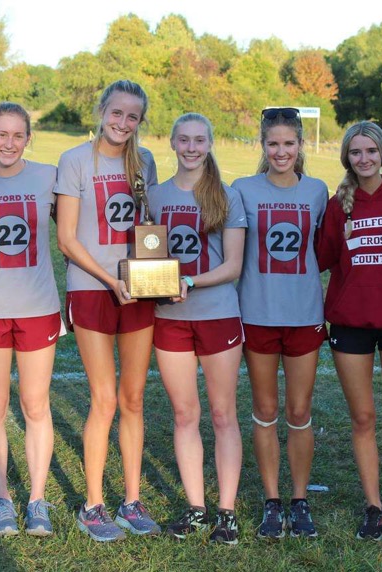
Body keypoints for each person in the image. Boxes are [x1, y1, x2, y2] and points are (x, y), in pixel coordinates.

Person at [55, 79, 160, 542]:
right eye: (116, 113)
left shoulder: (145, 162)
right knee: (104, 398)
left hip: (137, 289)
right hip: (93, 287)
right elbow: (67, 238)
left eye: (132, 116)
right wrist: (108, 279)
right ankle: (93, 505)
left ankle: (131, 500)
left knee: (133, 397)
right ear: (101, 110)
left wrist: (155, 277)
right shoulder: (76, 160)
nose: (123, 123)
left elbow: (149, 229)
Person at [316, 121, 382, 541]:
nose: (364, 159)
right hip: (351, 323)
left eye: (371, 151)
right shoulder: (337, 204)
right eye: (356, 152)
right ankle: (373, 507)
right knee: (362, 418)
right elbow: (324, 259)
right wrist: (340, 236)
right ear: (347, 157)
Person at [0, 102, 62, 537]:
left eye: (18, 135)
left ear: (28, 139)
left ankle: (37, 499)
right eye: (2, 134)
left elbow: (80, 229)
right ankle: (3, 499)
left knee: (35, 404)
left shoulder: (48, 178)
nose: (9, 143)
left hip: (38, 305)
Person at [150, 113, 247, 544]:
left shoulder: (226, 195)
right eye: (184, 140)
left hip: (218, 315)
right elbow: (149, 256)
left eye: (199, 141)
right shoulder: (154, 196)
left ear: (210, 144)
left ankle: (226, 511)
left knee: (224, 414)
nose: (191, 147)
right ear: (172, 143)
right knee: (185, 414)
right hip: (169, 319)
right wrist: (154, 283)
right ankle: (195, 508)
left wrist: (189, 281)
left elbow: (232, 266)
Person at [232, 107, 328, 540]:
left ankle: (299, 499)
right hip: (257, 315)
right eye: (274, 144)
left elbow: (324, 251)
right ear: (262, 145)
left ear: (301, 146)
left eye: (289, 144)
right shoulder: (243, 189)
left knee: (299, 411)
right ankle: (272, 501)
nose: (281, 151)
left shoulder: (317, 191)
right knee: (266, 410)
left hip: (305, 315)